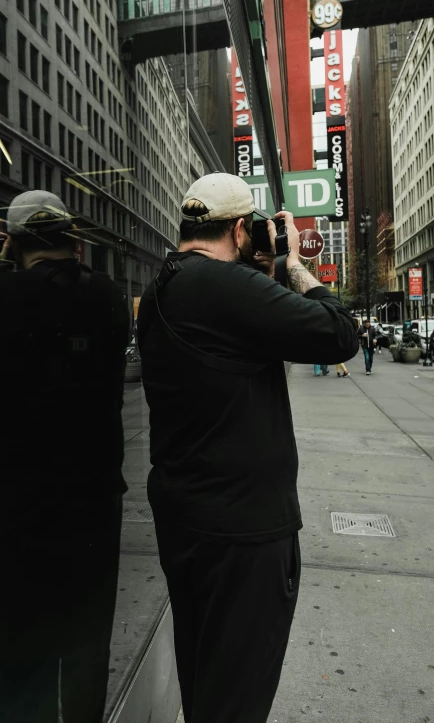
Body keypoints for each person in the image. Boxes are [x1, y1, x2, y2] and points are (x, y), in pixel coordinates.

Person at [137, 173, 359, 723]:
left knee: (204, 673)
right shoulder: (229, 288)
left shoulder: (163, 286)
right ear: (241, 229)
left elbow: (234, 344)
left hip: (185, 516)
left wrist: (258, 272)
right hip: (244, 529)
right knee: (237, 691)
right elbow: (339, 334)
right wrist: (292, 263)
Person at [0, 191, 130, 723]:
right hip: (89, 514)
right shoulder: (107, 299)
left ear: (12, 245)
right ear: (74, 243)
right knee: (85, 655)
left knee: (19, 666)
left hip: (5, 518)